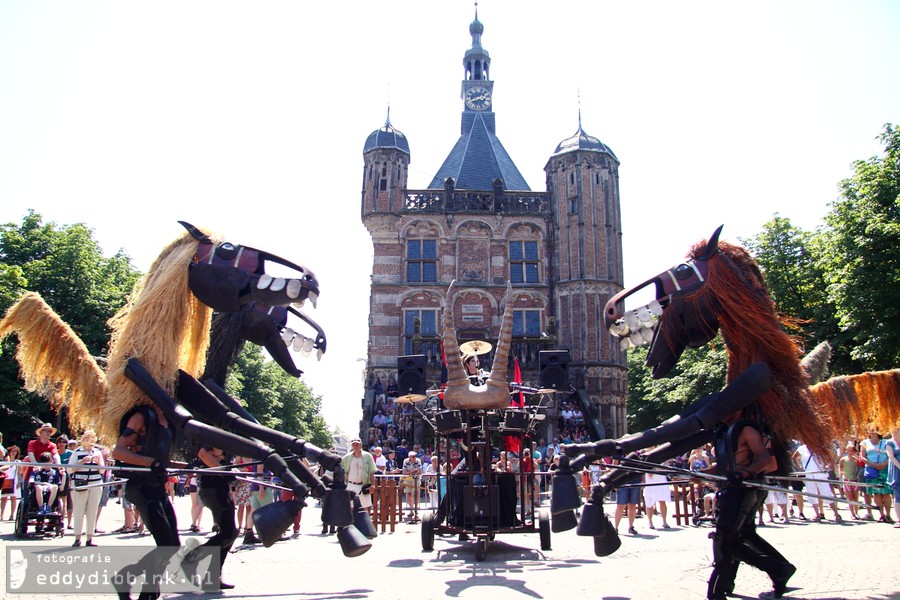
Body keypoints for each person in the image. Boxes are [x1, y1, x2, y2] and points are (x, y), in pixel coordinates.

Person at [707, 414, 794, 600]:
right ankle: (779, 569)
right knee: (741, 536)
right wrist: (701, 474)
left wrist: (744, 474)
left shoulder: (747, 430)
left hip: (744, 491)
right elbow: (726, 466)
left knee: (726, 540)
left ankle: (718, 591)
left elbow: (767, 462)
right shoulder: (723, 431)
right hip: (734, 489)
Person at [196, 444, 238, 590]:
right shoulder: (218, 434)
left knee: (228, 534)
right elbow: (203, 454)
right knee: (229, 532)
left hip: (220, 490)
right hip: (213, 490)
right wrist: (224, 471)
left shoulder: (229, 437)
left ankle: (212, 577)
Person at [68, 429, 105, 547]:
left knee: (92, 511)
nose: (89, 441)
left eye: (92, 439)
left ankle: (90, 538)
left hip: (95, 483)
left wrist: (99, 462)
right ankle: (77, 538)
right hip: (80, 483)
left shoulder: (97, 452)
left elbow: (102, 471)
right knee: (78, 510)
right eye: (87, 439)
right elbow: (69, 469)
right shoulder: (77, 452)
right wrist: (82, 463)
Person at [860, 430, 893, 523]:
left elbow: (890, 455)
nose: (872, 432)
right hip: (872, 470)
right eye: (870, 430)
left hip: (884, 469)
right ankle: (881, 514)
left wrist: (883, 464)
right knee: (876, 493)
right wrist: (873, 465)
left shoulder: (886, 442)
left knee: (886, 492)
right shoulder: (864, 443)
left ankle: (888, 515)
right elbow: (863, 457)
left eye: (874, 430)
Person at [839, 442, 862, 520]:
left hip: (855, 480)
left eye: (852, 450)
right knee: (850, 498)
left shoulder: (857, 460)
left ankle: (856, 512)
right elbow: (841, 469)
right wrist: (842, 477)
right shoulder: (843, 459)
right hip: (847, 480)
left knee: (856, 497)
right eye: (848, 450)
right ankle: (852, 513)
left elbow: (859, 469)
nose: (850, 452)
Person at [56, 435, 74, 530]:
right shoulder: (55, 453)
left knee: (67, 500)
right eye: (59, 442)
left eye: (63, 442)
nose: (61, 444)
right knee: (58, 499)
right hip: (56, 478)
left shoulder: (69, 454)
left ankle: (67, 522)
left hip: (67, 478)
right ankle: (58, 520)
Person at [1, 445, 22, 520]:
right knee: (4, 499)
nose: (13, 453)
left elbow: (19, 473)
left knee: (13, 498)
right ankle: (1, 515)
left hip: (14, 480)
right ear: (9, 452)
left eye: (15, 451)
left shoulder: (18, 462)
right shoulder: (5, 461)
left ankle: (12, 515)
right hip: (5, 480)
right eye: (12, 451)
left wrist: (19, 482)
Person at [401, 450, 423, 521]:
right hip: (408, 480)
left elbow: (420, 472)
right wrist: (413, 471)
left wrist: (409, 472)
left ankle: (416, 511)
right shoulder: (406, 461)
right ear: (409, 457)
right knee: (409, 494)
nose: (414, 457)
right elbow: (404, 472)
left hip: (416, 480)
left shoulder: (418, 461)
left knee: (416, 494)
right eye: (413, 456)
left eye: (415, 456)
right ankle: (411, 509)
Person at [885, 427, 900, 527]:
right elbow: (891, 456)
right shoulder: (889, 442)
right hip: (896, 471)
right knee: (898, 496)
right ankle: (899, 519)